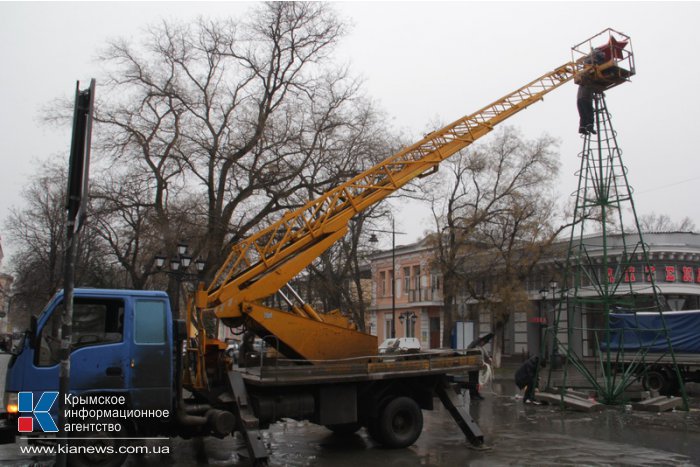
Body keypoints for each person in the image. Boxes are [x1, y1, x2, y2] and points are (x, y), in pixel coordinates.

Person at [466, 333, 493, 400]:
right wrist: (478, 339)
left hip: (477, 367)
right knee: (472, 381)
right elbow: (470, 348)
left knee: (477, 381)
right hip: (471, 367)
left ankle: (477, 394)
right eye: (484, 342)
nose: (484, 344)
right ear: (480, 341)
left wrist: (489, 358)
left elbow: (486, 355)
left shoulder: (481, 347)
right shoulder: (473, 346)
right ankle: (472, 395)